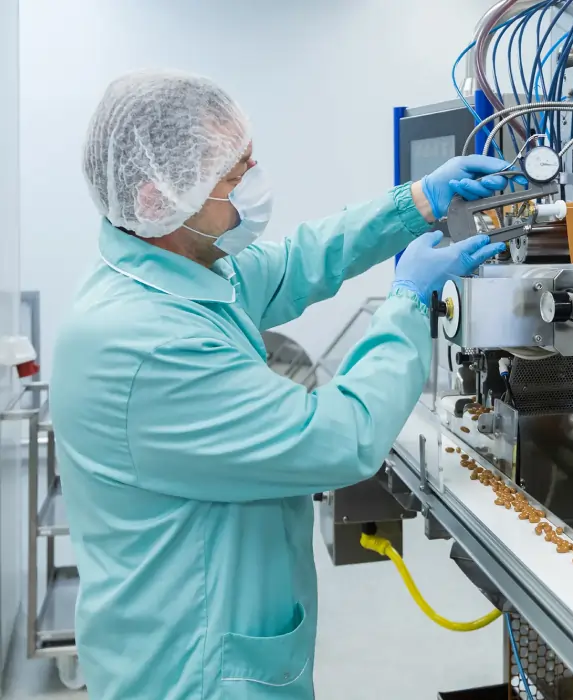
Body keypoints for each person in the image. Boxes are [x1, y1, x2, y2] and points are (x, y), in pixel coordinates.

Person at [49, 70, 513, 700]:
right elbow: (336, 439)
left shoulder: (171, 268)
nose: (255, 187)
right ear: (162, 200)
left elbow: (297, 262)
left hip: (208, 630)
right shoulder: (149, 343)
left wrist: (417, 203)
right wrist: (407, 302)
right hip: (194, 671)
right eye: (236, 179)